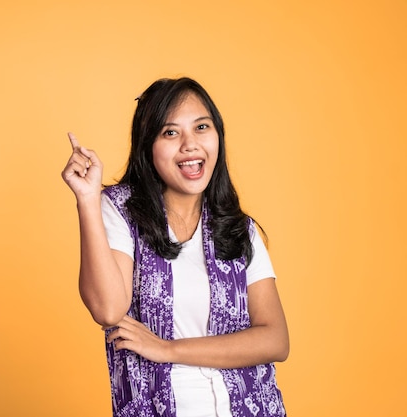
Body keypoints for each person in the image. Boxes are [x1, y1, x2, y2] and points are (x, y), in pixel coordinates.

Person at [61, 77, 289, 417]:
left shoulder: (240, 229)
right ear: (148, 145)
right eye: (170, 132)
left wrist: (168, 349)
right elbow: (108, 309)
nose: (190, 144)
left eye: (201, 127)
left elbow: (275, 341)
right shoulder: (121, 211)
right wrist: (87, 200)